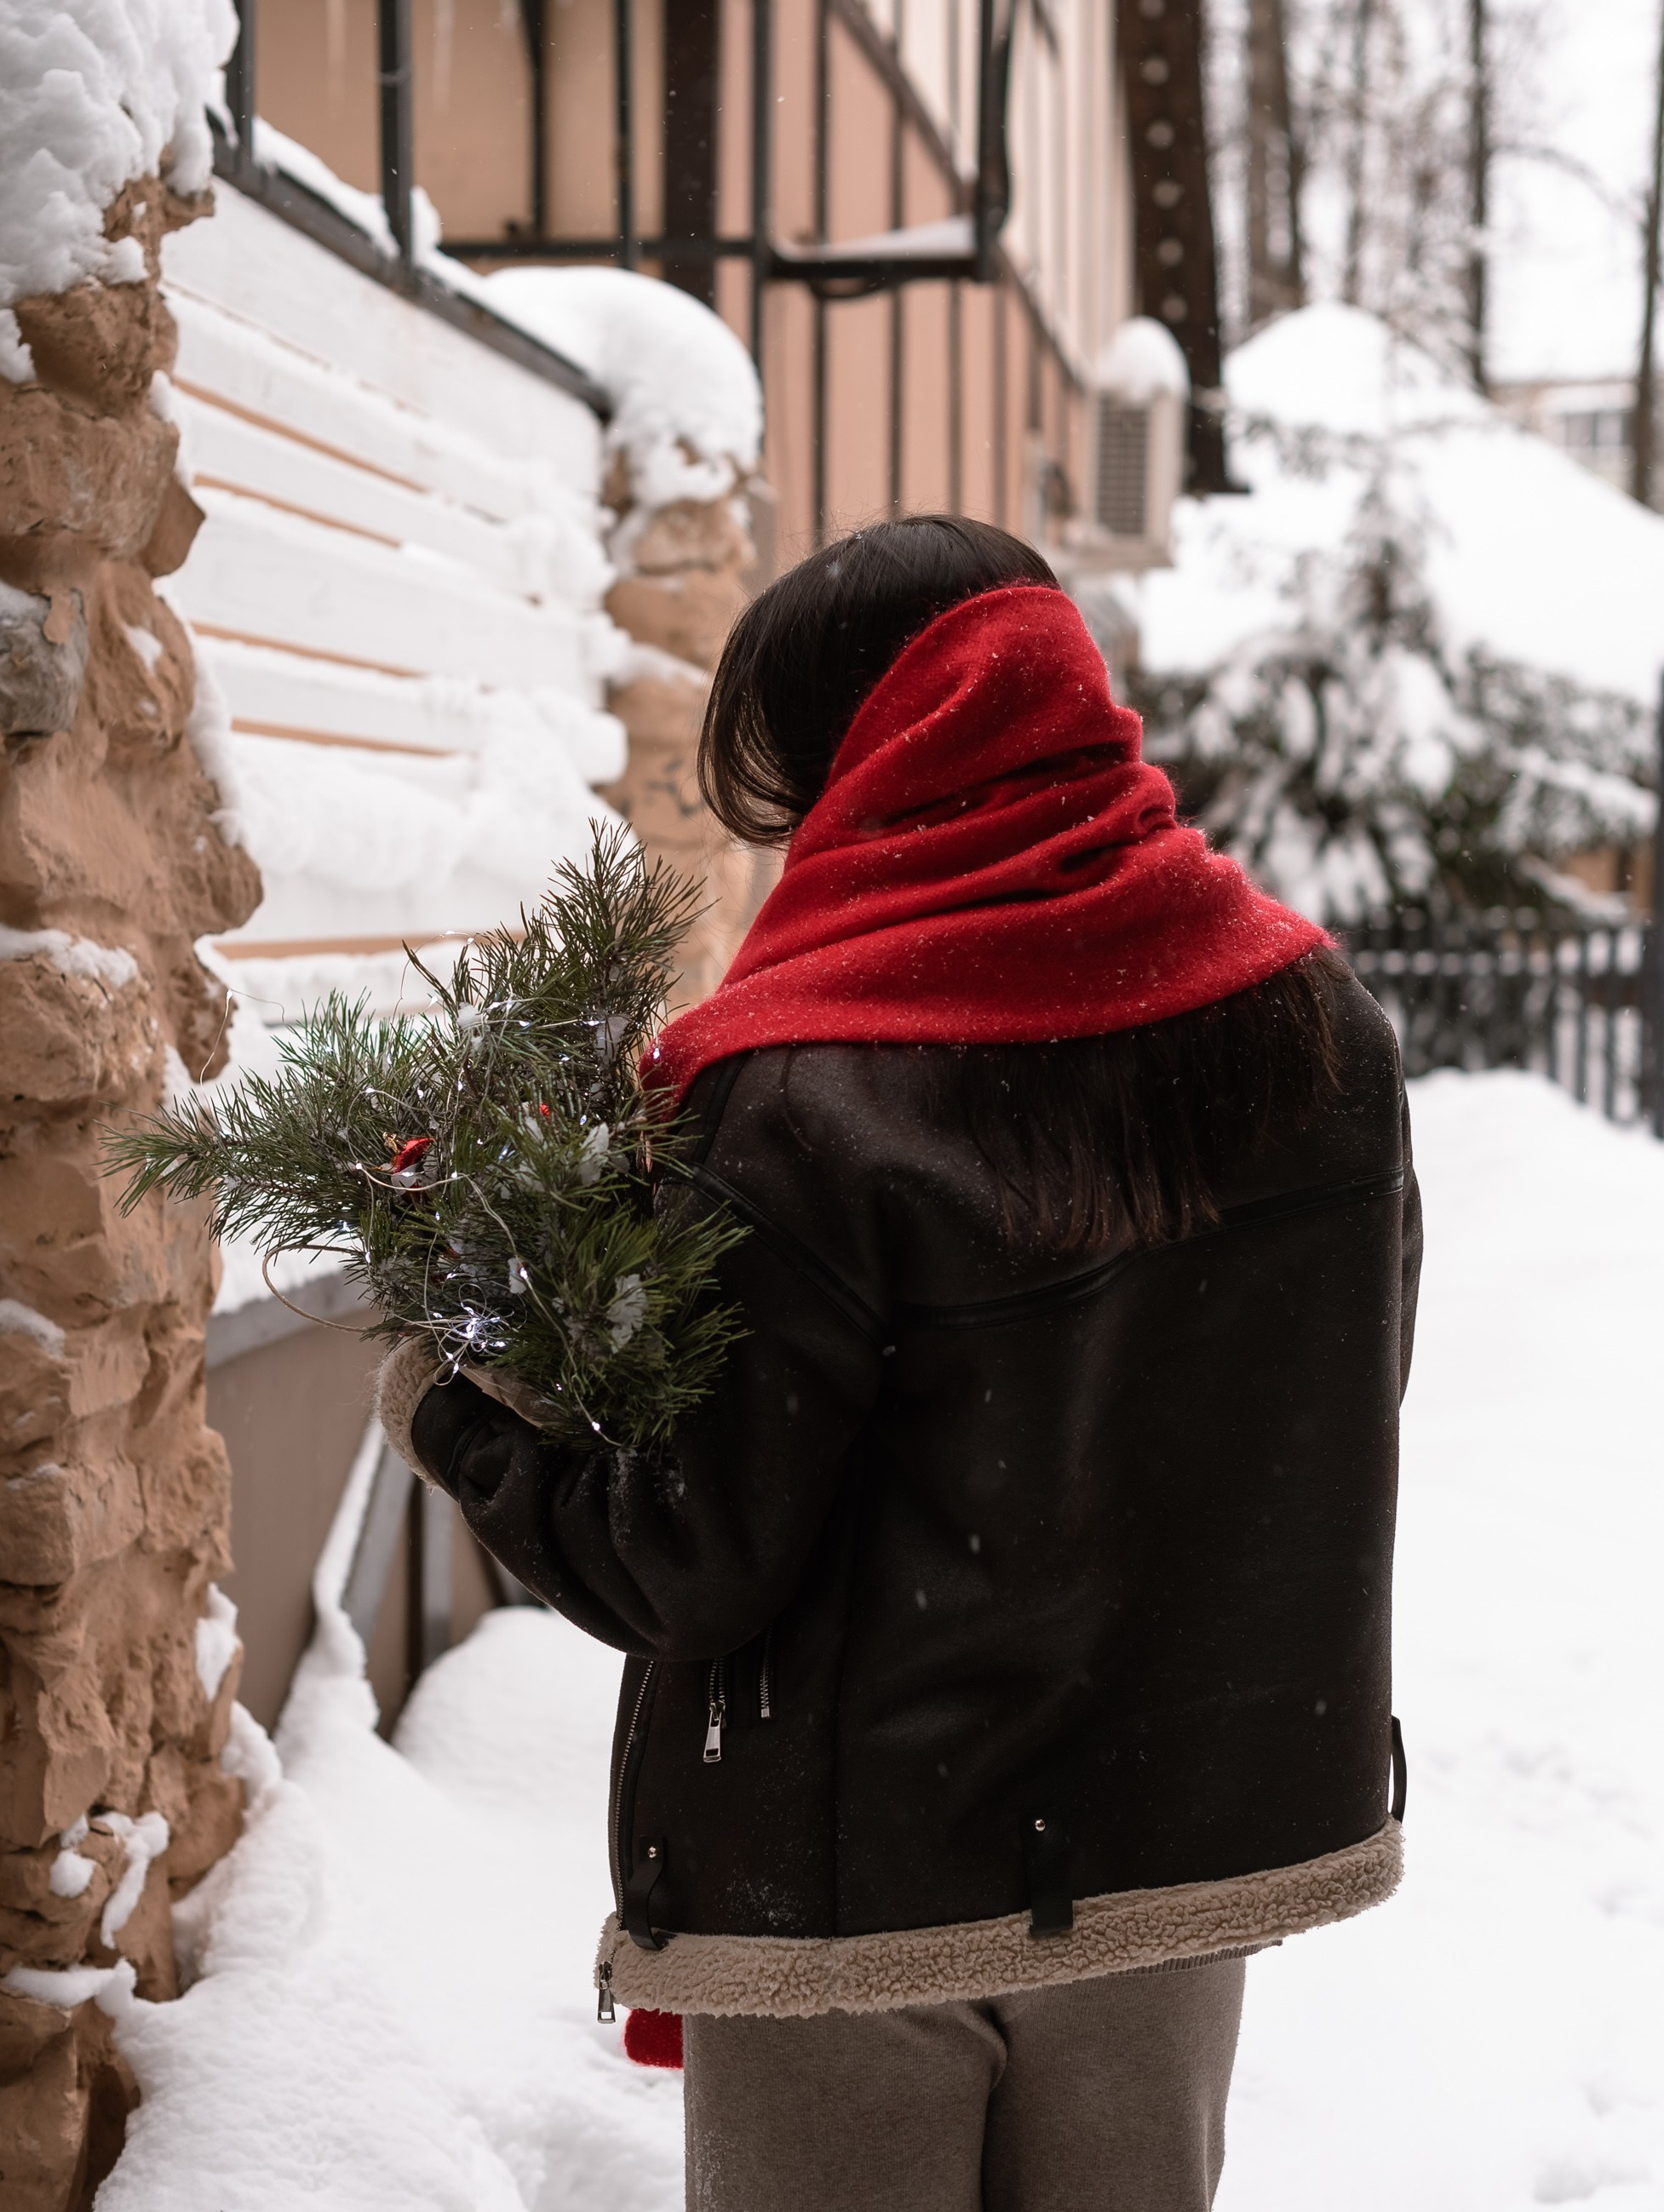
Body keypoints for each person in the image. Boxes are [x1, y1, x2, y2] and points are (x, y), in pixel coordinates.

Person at [376, 517, 1421, 2212]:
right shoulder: (1325, 1035)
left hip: (854, 1891)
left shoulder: (798, 1095)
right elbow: (1321, 1429)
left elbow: (683, 1559)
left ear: (888, 755)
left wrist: (455, 1390)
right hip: (1174, 1865)